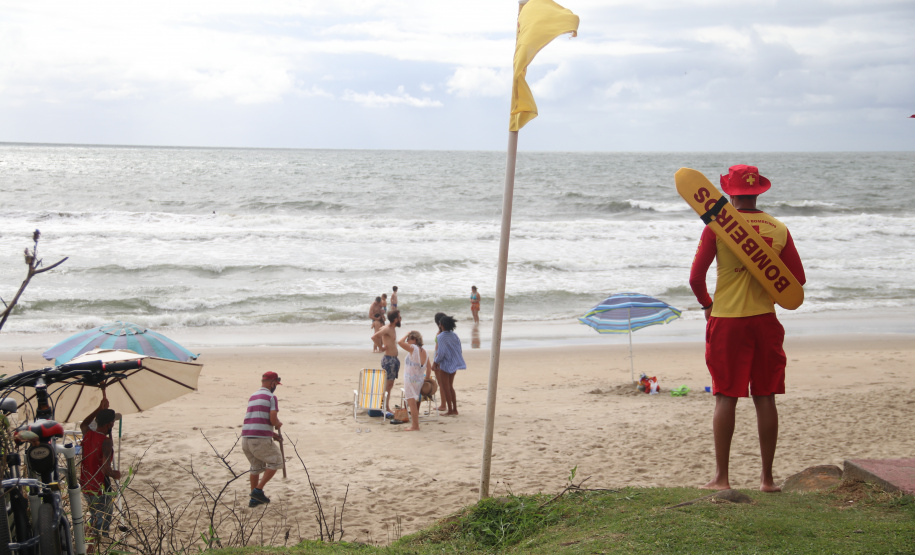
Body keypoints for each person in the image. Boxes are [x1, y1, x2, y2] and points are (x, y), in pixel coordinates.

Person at [689, 164, 806, 493]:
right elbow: (797, 282)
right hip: (765, 321)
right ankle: (767, 480)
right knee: (765, 396)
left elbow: (695, 278)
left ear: (728, 192)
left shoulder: (717, 227)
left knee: (726, 397)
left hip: (727, 321)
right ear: (758, 192)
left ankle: (721, 478)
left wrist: (707, 306)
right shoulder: (778, 228)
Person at [80, 400, 121, 553]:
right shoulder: (106, 442)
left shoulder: (88, 433)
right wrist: (115, 474)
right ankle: (91, 548)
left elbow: (84, 423)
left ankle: (87, 530)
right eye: (112, 423)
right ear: (109, 424)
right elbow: (105, 468)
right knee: (102, 517)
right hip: (99, 485)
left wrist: (99, 408)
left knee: (94, 513)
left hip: (85, 482)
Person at [242, 371, 284, 507]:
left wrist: (272, 434)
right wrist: (277, 424)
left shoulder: (253, 396)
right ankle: (258, 491)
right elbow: (272, 420)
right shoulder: (271, 397)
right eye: (275, 384)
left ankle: (254, 500)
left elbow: (257, 419)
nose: (275, 386)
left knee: (256, 467)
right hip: (259, 439)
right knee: (277, 461)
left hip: (246, 438)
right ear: (272, 383)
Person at [397, 330, 430, 431]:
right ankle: (415, 425)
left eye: (409, 339)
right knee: (413, 403)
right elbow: (429, 368)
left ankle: (415, 426)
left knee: (411, 403)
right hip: (419, 380)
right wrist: (426, 379)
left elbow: (399, 342)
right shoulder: (424, 351)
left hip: (410, 380)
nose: (407, 341)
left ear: (414, 339)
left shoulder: (413, 348)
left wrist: (406, 333)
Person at [433, 313, 466, 416]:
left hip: (445, 363)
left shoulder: (441, 336)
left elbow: (441, 352)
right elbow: (459, 348)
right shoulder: (454, 335)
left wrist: (435, 362)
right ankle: (455, 409)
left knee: (446, 387)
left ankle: (450, 410)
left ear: (441, 324)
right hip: (454, 362)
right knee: (450, 386)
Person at [371, 309, 402, 413]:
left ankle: (384, 405)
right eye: (399, 317)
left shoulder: (392, 328)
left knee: (390, 385)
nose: (400, 318)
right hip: (389, 360)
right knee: (388, 385)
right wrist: (381, 347)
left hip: (394, 359)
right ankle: (385, 407)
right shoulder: (387, 329)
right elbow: (374, 336)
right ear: (395, 319)